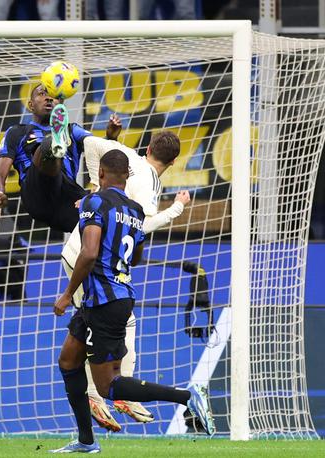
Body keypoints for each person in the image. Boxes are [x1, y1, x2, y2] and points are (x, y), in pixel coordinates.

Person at [50, 150, 214, 453]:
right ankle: (86, 441)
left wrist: (65, 294)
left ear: (100, 174)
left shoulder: (94, 201)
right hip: (111, 297)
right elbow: (135, 256)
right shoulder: (135, 210)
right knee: (68, 360)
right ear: (127, 176)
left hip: (104, 301)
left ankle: (188, 396)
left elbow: (88, 253)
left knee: (108, 385)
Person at [62, 130, 191, 430]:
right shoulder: (149, 184)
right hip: (91, 263)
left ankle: (100, 406)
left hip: (82, 255)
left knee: (84, 333)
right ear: (172, 162)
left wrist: (94, 187)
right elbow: (142, 225)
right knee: (119, 323)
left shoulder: (127, 156)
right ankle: (109, 394)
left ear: (147, 148)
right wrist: (176, 209)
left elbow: (90, 142)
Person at [0, 84, 121, 233]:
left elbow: (97, 147)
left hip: (68, 199)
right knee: (47, 146)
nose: (49, 98)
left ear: (61, 104)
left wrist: (111, 137)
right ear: (31, 105)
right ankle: (54, 143)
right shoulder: (17, 132)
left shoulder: (72, 130)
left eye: (54, 96)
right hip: (36, 193)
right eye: (42, 94)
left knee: (107, 220)